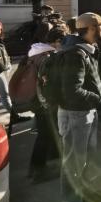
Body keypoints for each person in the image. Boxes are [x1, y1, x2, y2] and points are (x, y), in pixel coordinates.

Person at [57, 12, 101, 202]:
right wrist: (97, 98)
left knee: (85, 157)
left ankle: (83, 196)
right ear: (92, 29)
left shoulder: (85, 50)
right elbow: (72, 90)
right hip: (76, 113)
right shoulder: (75, 54)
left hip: (84, 111)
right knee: (74, 161)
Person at [28, 26, 66, 181]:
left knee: (48, 135)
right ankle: (37, 171)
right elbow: (46, 83)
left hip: (38, 101)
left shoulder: (37, 52)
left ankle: (47, 164)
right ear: (57, 42)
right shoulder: (47, 56)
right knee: (44, 136)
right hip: (45, 103)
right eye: (63, 41)